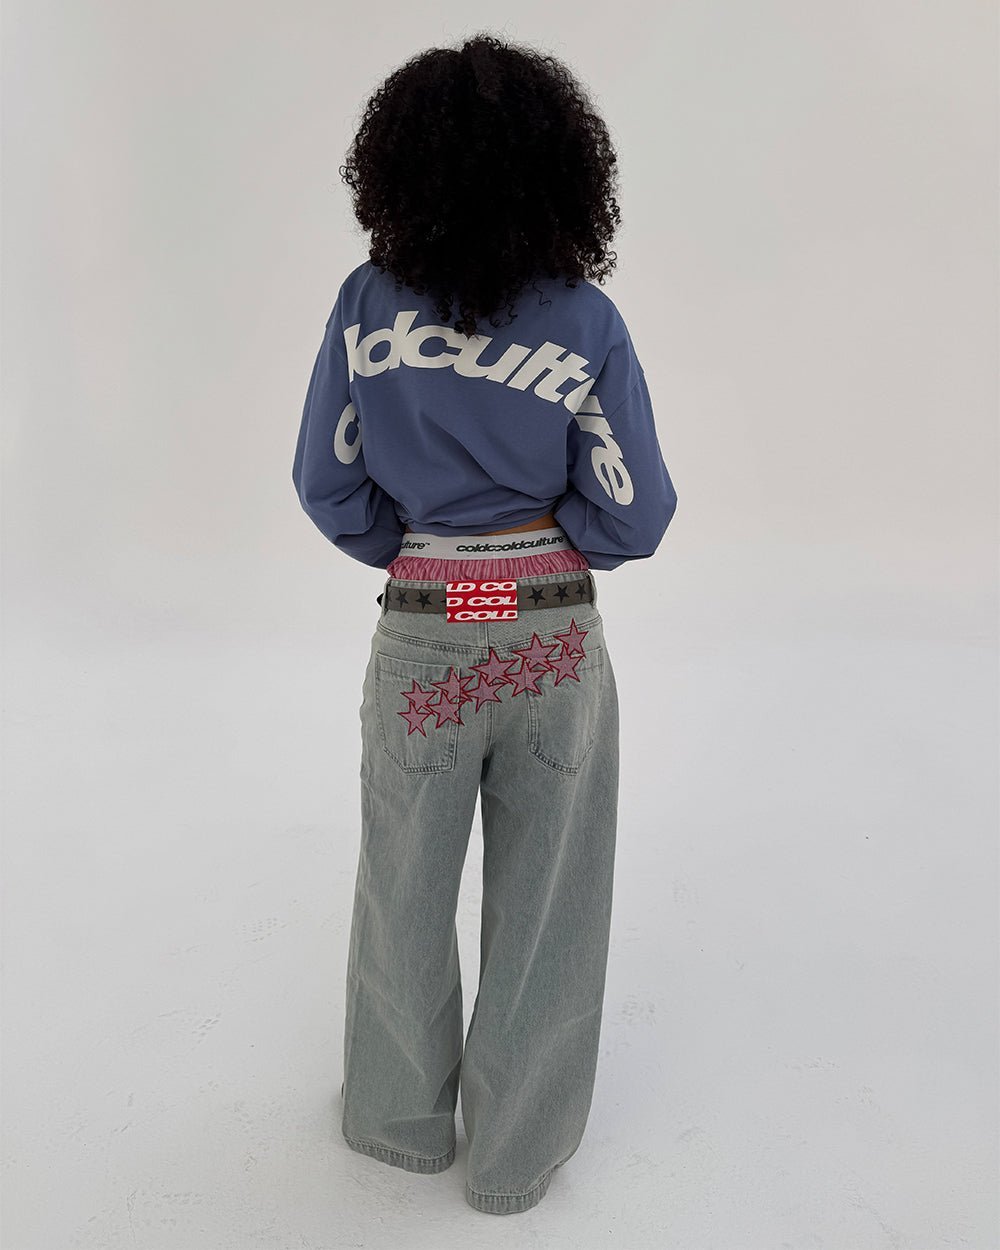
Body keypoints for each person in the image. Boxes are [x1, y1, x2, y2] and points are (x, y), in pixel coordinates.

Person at [291, 32, 678, 1216]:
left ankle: (395, 1121)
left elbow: (326, 478)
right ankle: (513, 1158)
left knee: (400, 884)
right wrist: (553, 543)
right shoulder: (586, 321)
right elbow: (637, 508)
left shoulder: (365, 307)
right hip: (550, 634)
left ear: (395, 170)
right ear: (563, 169)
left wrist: (415, 558)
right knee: (551, 902)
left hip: (423, 628)